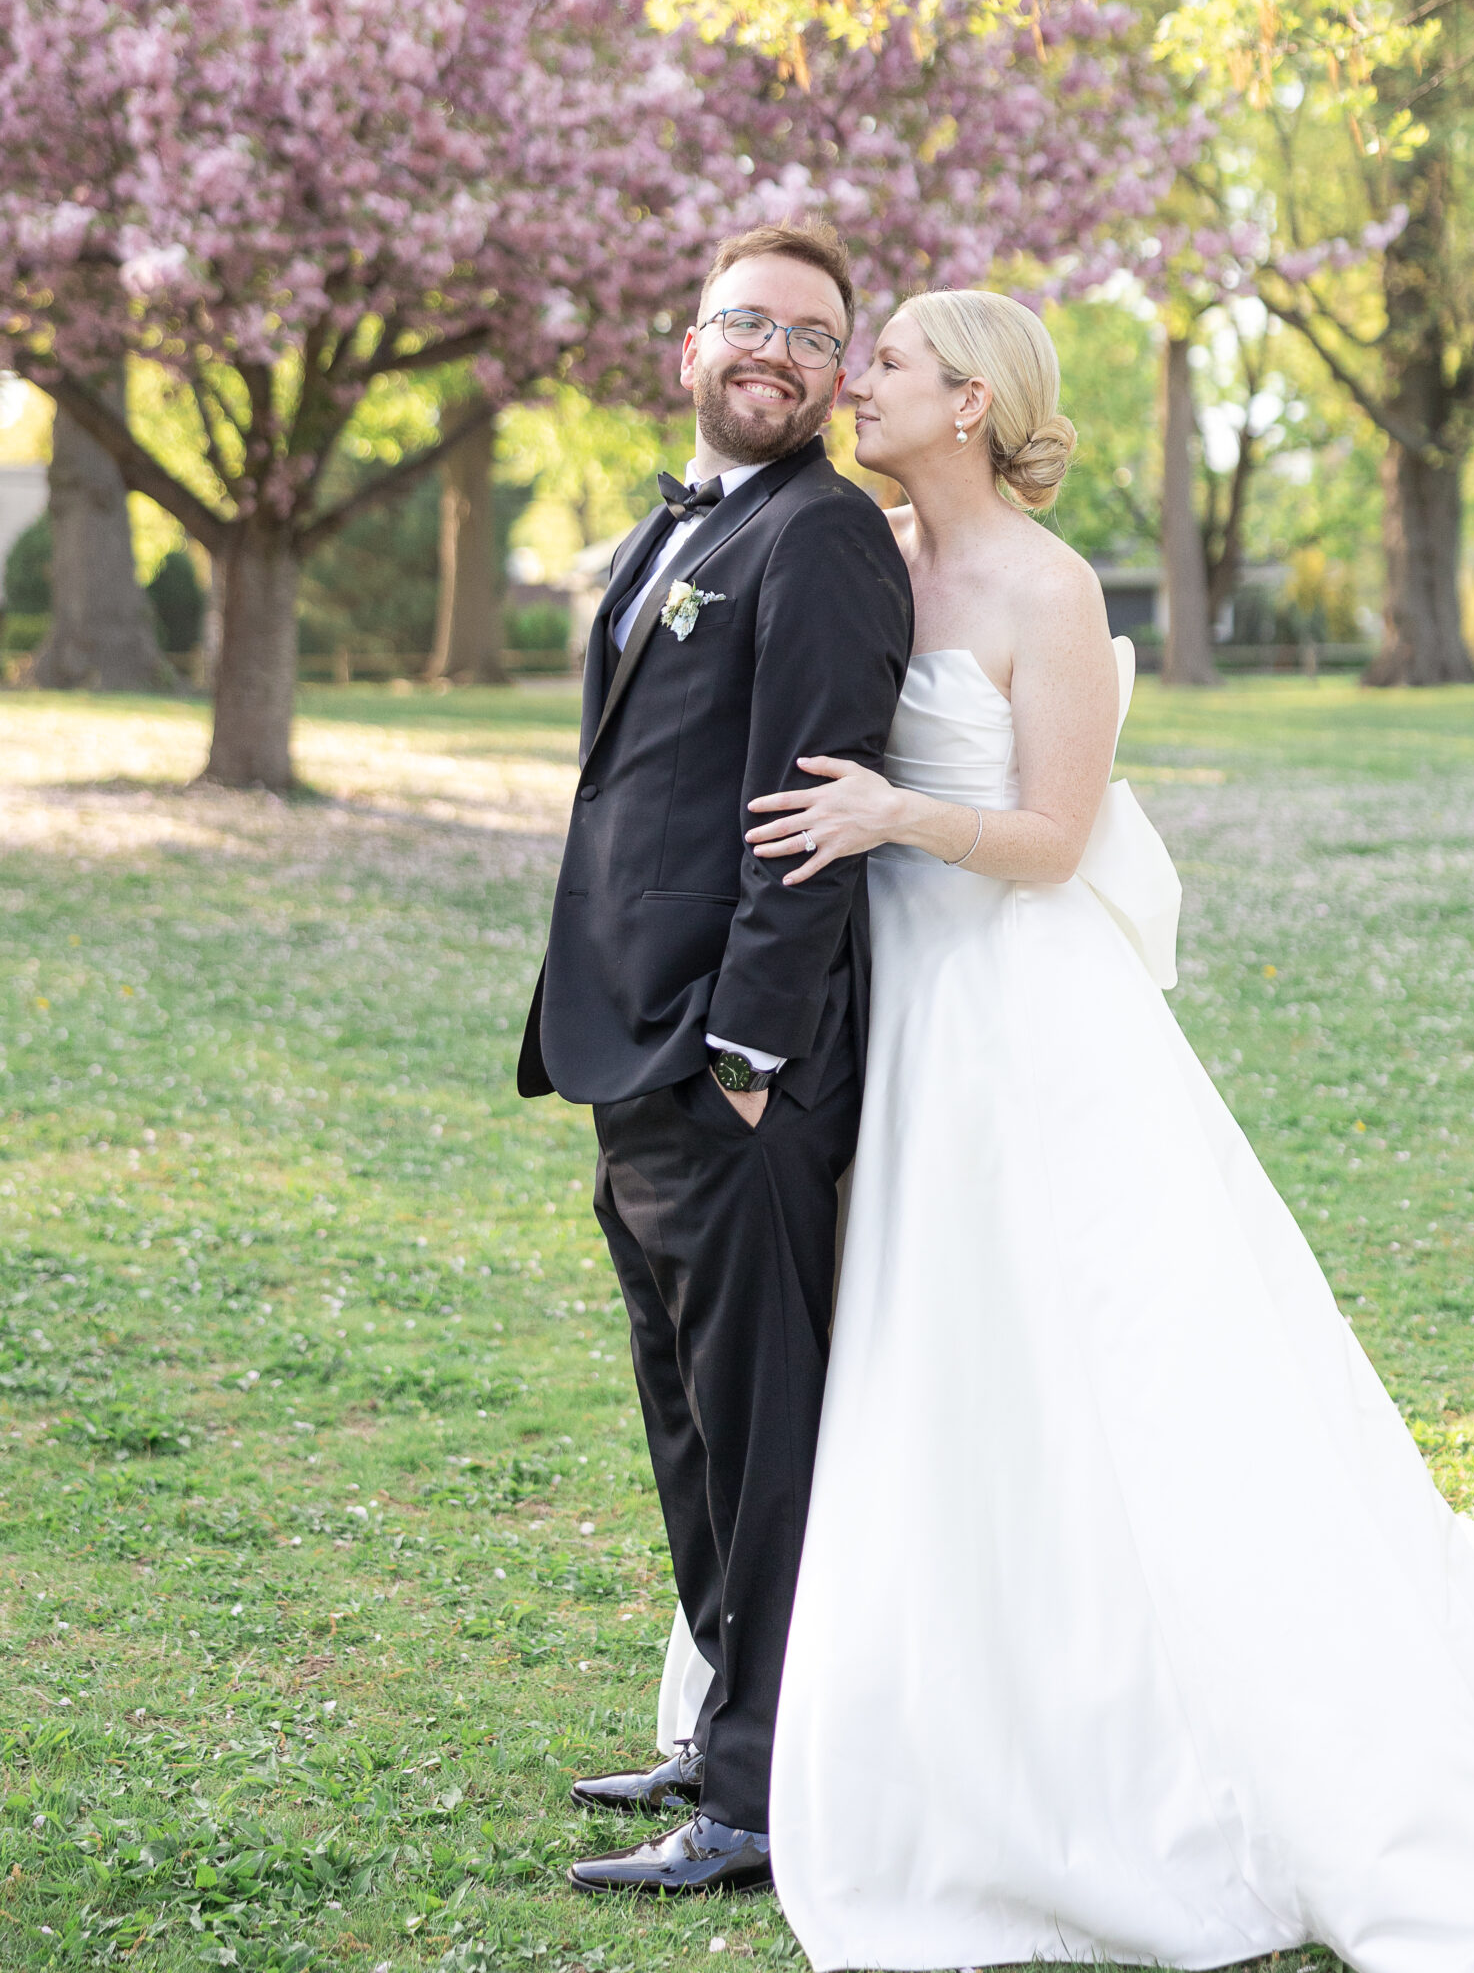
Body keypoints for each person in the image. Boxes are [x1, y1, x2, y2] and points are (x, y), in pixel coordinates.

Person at [728, 289, 1474, 1972]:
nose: (851, 380)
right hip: (908, 1018)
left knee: (1124, 1366)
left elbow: (1053, 835)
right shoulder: (859, 548)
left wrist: (895, 811)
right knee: (954, 1354)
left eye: (881, 359)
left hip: (1027, 1016)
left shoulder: (1046, 586)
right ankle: (967, 1710)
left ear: (968, 400)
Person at [517, 217, 912, 1899]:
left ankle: (761, 1797)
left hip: (733, 1068)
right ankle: (722, 1717)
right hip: (629, 1049)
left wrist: (743, 1048)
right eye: (747, 321)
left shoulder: (819, 540)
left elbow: (810, 816)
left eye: (816, 338)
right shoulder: (681, 526)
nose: (778, 352)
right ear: (687, 347)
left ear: (835, 380)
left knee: (760, 1435)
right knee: (685, 1417)